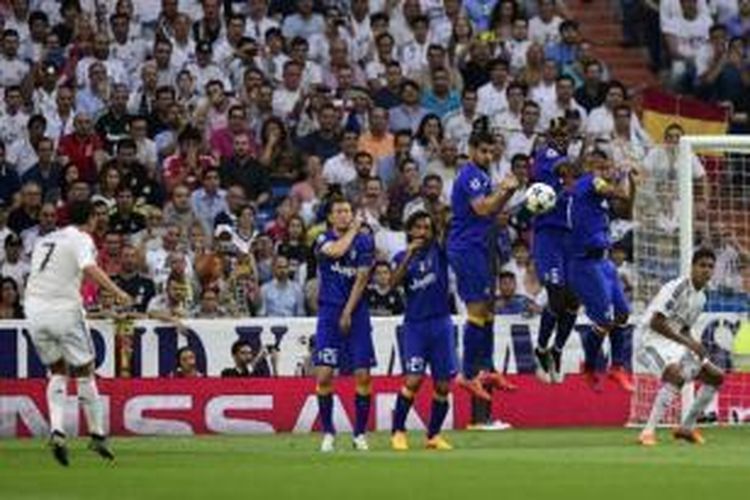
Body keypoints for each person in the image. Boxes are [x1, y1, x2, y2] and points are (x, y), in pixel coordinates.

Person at [24, 200, 133, 466]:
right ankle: (96, 433)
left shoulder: (44, 240)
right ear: (92, 219)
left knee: (58, 370)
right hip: (64, 310)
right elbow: (89, 267)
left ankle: (57, 430)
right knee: (85, 370)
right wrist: (118, 292)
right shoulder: (82, 238)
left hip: (35, 312)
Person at [446, 130, 519, 402]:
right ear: (472, 149)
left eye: (492, 152)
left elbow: (490, 212)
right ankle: (467, 374)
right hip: (467, 249)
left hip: (481, 247)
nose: (488, 156)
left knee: (488, 311)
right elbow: (483, 209)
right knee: (477, 310)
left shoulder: (482, 175)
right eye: (484, 151)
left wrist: (504, 199)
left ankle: (486, 369)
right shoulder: (472, 175)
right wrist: (505, 191)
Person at [637, 248, 723, 446]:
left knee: (715, 376)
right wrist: (688, 343)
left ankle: (687, 428)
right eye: (702, 265)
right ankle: (647, 432)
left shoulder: (701, 297)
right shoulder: (677, 287)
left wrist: (696, 345)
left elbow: (684, 328)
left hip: (673, 342)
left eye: (710, 267)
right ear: (692, 267)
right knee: (676, 375)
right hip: (650, 341)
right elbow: (656, 323)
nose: (706, 270)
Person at [568, 151, 638, 391]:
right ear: (590, 165)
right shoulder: (589, 182)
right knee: (605, 320)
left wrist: (633, 184)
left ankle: (617, 368)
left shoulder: (599, 195)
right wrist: (622, 176)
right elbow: (617, 191)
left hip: (604, 262)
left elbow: (627, 208)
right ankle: (588, 367)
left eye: (607, 167)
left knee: (622, 315)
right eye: (601, 166)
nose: (605, 171)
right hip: (584, 264)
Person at [389, 210, 456, 451]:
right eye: (418, 227)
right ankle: (398, 431)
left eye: (427, 228)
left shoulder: (438, 252)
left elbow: (447, 229)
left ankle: (434, 436)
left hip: (441, 323)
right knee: (413, 380)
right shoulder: (400, 257)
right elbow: (391, 285)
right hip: (415, 326)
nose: (422, 232)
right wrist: (408, 256)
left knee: (443, 385)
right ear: (409, 231)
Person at [313, 196, 375, 452]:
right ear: (330, 217)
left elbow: (361, 279)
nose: (344, 215)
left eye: (348, 211)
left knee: (362, 374)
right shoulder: (321, 239)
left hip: (356, 312)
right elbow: (337, 251)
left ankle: (359, 433)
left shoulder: (365, 241)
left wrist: (348, 312)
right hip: (329, 312)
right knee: (325, 374)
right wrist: (352, 229)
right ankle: (328, 432)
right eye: (339, 211)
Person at [530, 118, 580, 384]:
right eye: (557, 134)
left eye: (566, 134)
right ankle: (540, 349)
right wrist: (581, 149)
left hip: (570, 239)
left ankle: (557, 350)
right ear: (549, 136)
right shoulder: (545, 155)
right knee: (557, 297)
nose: (562, 138)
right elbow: (565, 166)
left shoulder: (567, 158)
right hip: (548, 236)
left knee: (574, 300)